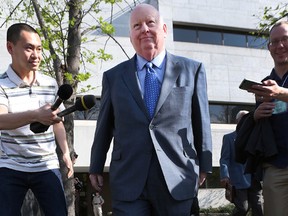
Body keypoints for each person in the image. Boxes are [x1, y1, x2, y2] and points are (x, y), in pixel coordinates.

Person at [89, 3, 212, 216]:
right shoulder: (113, 77)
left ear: (164, 29)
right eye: (137, 25)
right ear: (131, 36)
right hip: (129, 177)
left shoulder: (192, 70)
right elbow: (104, 125)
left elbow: (202, 121)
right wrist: (96, 165)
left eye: (150, 23)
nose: (144, 29)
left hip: (177, 174)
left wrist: (205, 164)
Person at [0, 23, 73, 215]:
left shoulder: (49, 83)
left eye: (39, 49)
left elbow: (56, 121)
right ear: (10, 48)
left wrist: (65, 152)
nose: (36, 55)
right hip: (10, 165)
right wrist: (34, 114)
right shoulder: (1, 85)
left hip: (46, 164)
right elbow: (1, 120)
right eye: (29, 48)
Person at [247, 20, 288, 216]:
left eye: (285, 39)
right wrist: (256, 115)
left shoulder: (275, 88)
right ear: (269, 47)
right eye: (275, 41)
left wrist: (279, 92)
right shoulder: (265, 84)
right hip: (276, 166)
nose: (280, 46)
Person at [220, 110, 263, 216]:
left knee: (258, 207)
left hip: (255, 178)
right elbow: (224, 158)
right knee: (243, 208)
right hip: (239, 179)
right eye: (242, 119)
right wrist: (225, 175)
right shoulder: (229, 138)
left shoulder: (256, 136)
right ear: (237, 121)